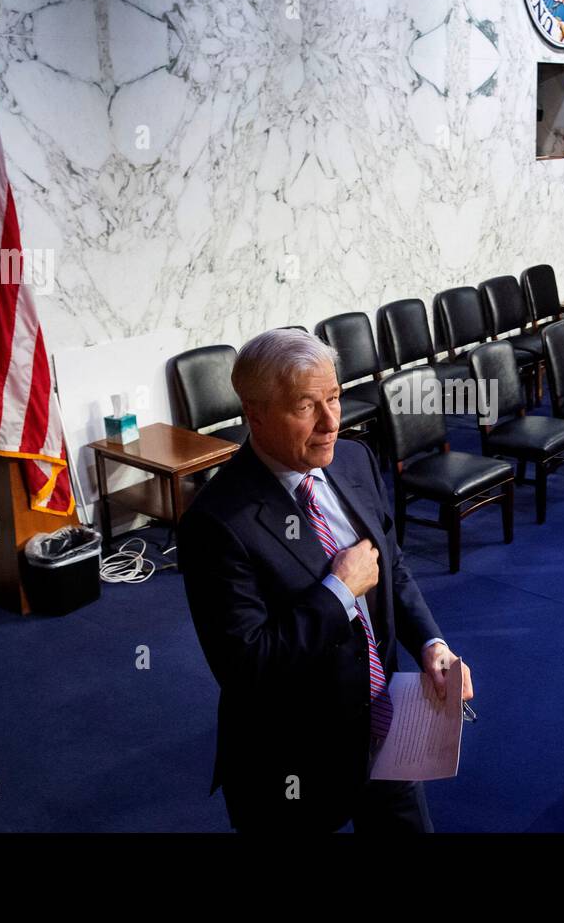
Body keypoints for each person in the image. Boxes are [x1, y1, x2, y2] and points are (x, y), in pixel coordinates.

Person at [177, 328, 473, 832]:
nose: (331, 422)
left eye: (333, 397)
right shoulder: (216, 522)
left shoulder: (354, 459)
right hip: (291, 761)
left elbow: (393, 569)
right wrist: (338, 592)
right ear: (256, 414)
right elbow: (247, 666)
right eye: (306, 407)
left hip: (384, 727)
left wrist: (431, 643)